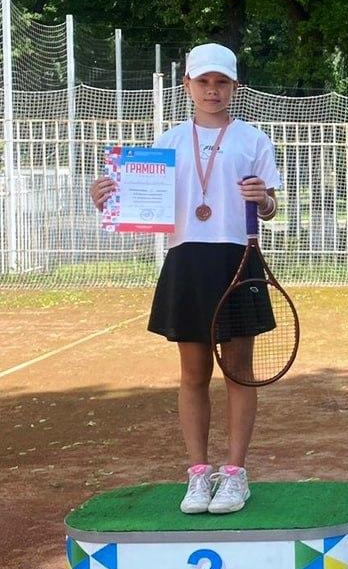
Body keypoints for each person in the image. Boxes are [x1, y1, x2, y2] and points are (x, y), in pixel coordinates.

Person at [89, 43, 282, 512]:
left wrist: (263, 199)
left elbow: (272, 208)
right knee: (193, 375)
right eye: (203, 82)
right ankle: (198, 474)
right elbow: (138, 206)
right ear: (187, 87)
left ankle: (235, 474)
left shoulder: (254, 140)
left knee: (239, 374)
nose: (212, 90)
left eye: (221, 82)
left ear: (235, 87)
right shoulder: (167, 143)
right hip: (186, 263)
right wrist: (108, 199)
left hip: (236, 263)